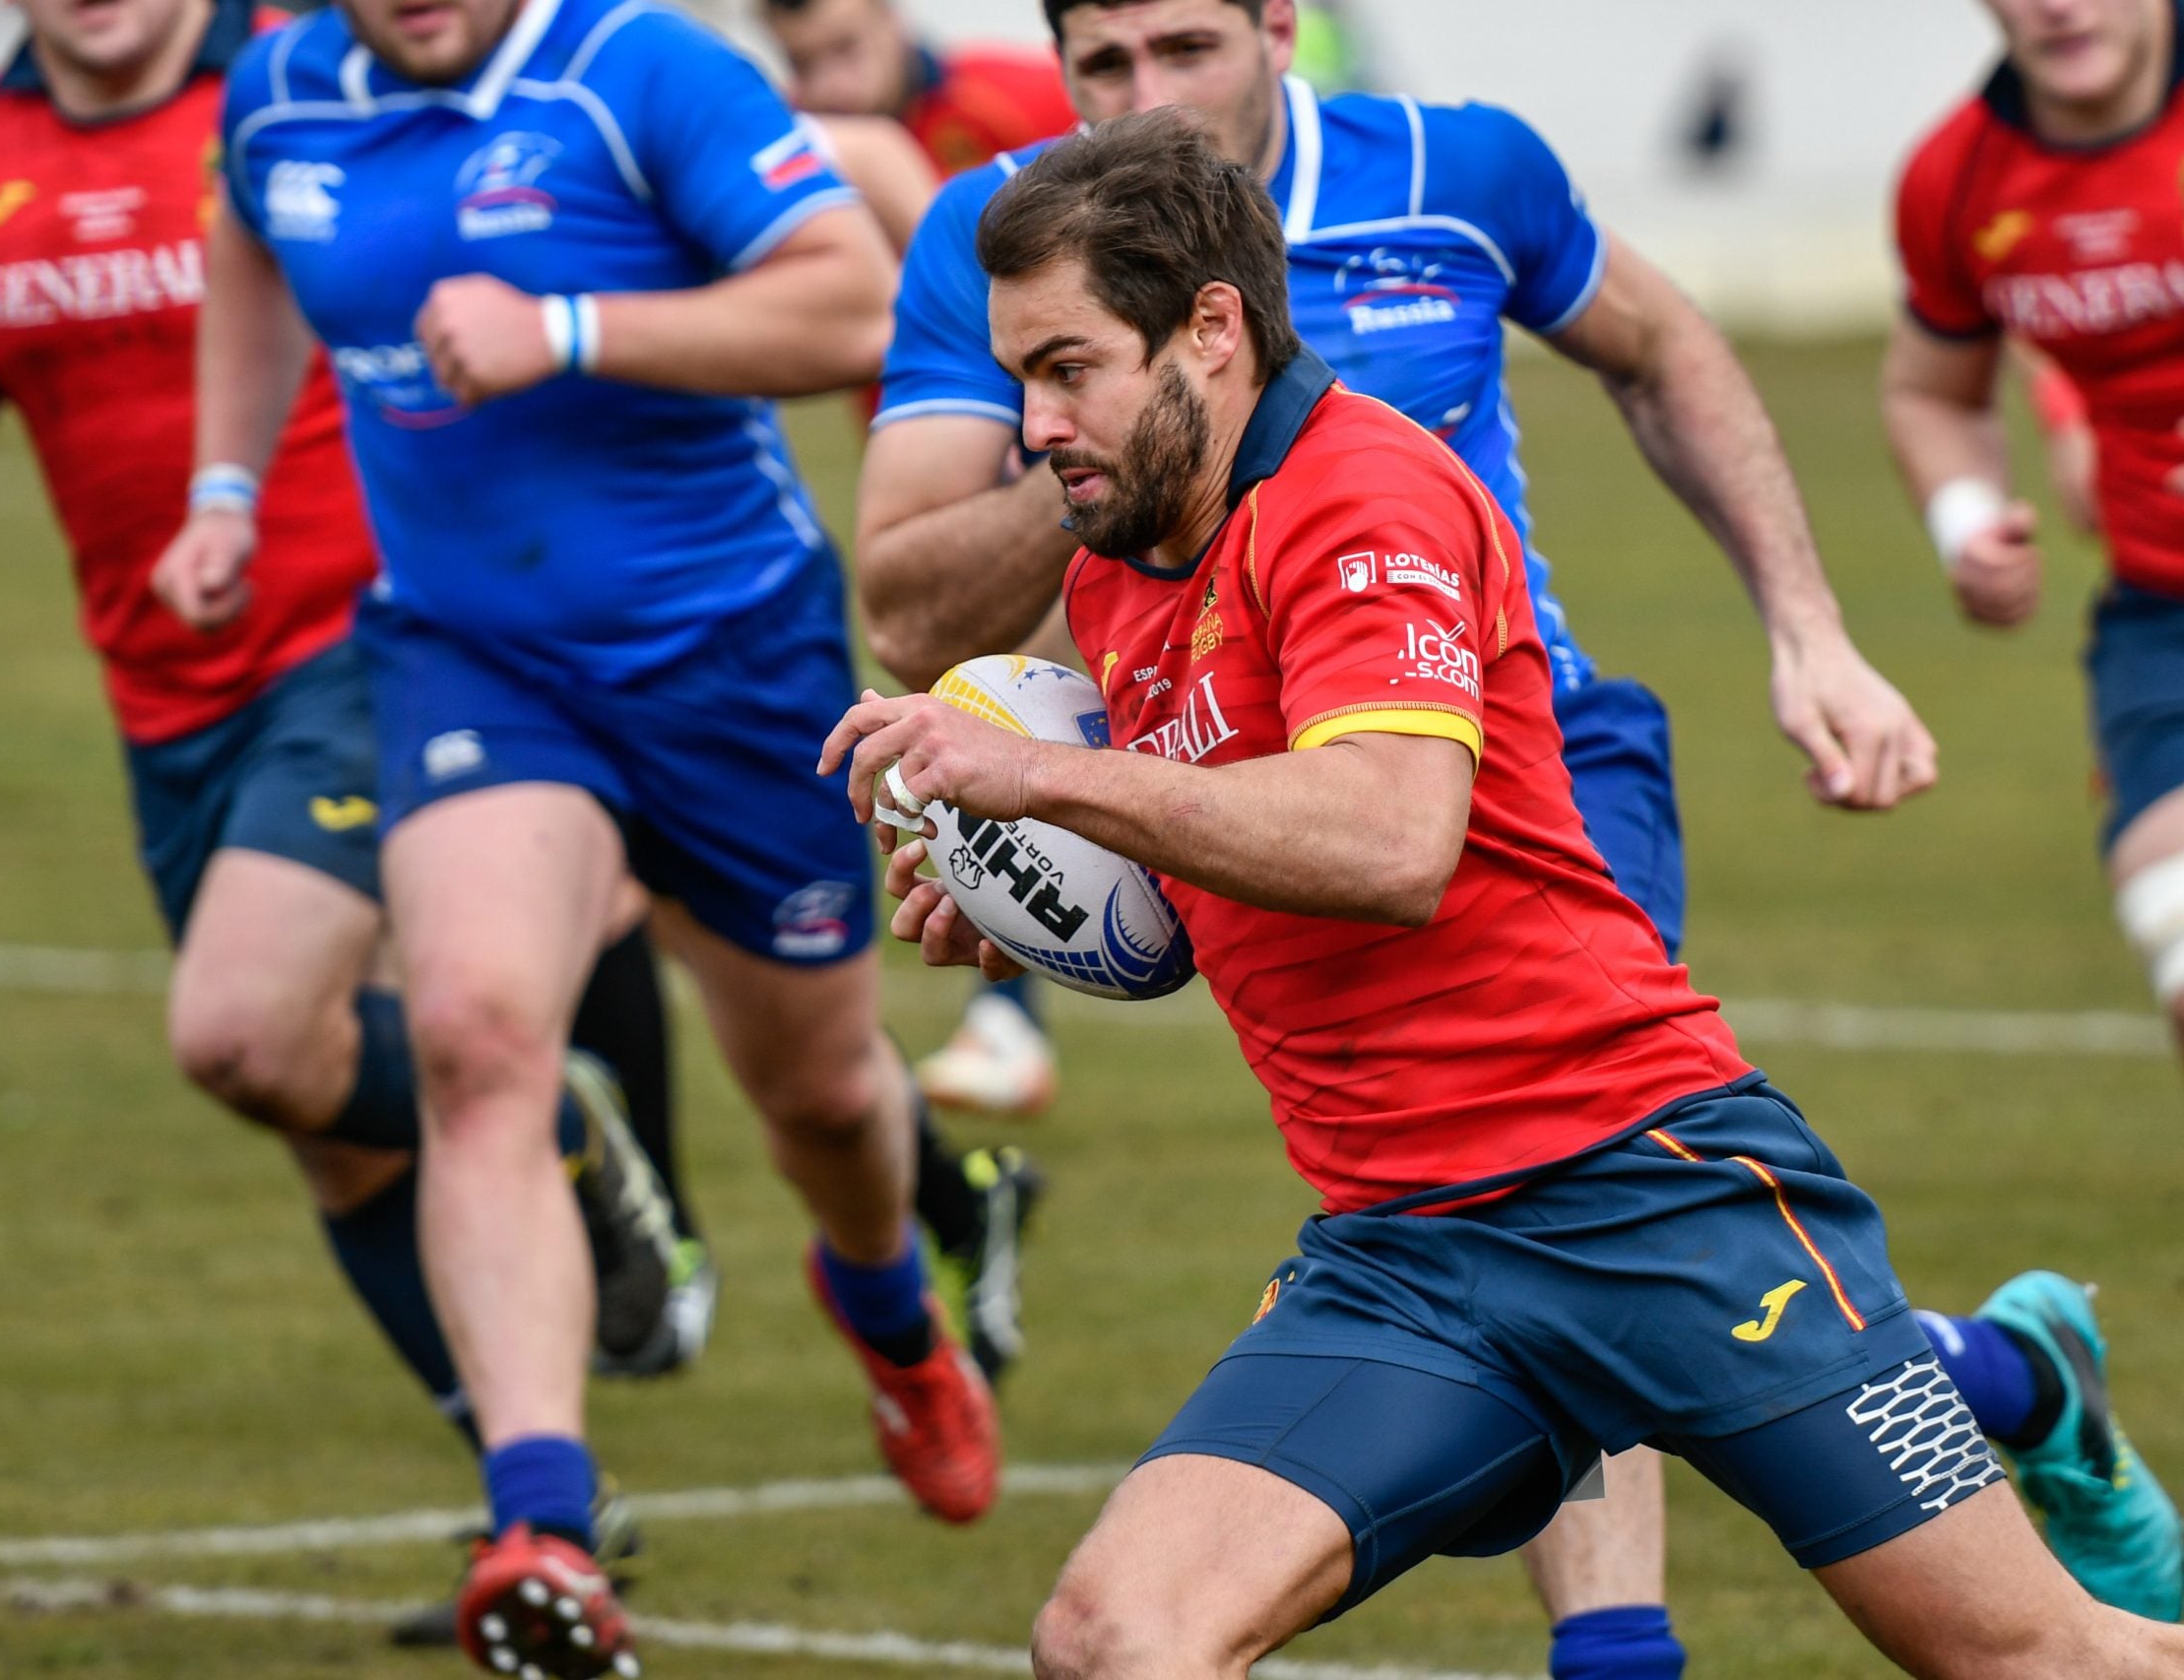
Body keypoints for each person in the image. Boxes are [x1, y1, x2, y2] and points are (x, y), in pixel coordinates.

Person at [824, 108, 2184, 1679]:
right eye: (1015, 379)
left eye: (1068, 368)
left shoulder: (1359, 497)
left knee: (2041, 1659)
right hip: (1407, 1256)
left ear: (1209, 329)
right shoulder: (1115, 569)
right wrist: (1032, 895)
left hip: (1650, 1193)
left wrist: (1042, 785)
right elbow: (1227, 867)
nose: (1032, 421)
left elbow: (1391, 843)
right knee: (1118, 1633)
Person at [0, 0, 688, 1628]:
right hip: (161, 686)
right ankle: (540, 1504)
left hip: (368, 635)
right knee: (317, 1115)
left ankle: (551, 1113)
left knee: (238, 1027)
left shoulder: (306, 84)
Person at [168, 0, 999, 1667]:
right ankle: (540, 1521)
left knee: (826, 1094)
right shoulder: (278, 95)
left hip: (732, 661)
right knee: (481, 1038)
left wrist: (566, 325)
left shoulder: (645, 72)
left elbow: (849, 295)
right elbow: (252, 252)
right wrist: (226, 490)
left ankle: (890, 1304)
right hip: (470, 653)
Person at [1886, 0, 2184, 1620]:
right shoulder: (1960, 179)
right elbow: (1934, 382)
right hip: (2162, 627)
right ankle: (2064, 1422)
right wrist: (1963, 508)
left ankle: (2040, 1401)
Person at [765, 0, 1076, 1119]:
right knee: (970, 706)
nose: (827, 74)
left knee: (1000, 711)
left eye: (840, 44)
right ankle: (1009, 999)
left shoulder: (1012, 104)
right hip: (934, 474)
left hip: (1052, 451)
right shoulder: (803, 148)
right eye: (801, 58)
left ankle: (1013, 1007)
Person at [764, 0, 1077, 179]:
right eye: (802, 64)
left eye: (846, 49)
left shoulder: (1012, 95)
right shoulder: (783, 138)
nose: (829, 85)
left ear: (890, 20)